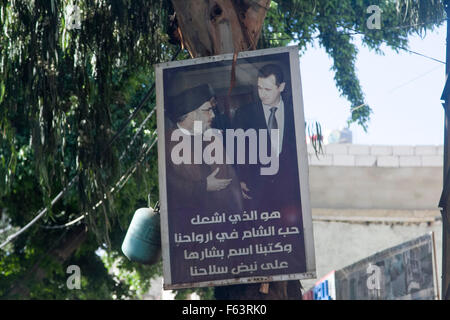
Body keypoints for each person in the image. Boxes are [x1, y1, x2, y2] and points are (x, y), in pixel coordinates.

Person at [232, 63, 302, 213]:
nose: (262, 94)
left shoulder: (295, 112)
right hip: (256, 192)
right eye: (259, 88)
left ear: (281, 87)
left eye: (268, 89)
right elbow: (237, 151)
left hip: (290, 194)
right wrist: (240, 179)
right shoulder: (244, 114)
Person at [165, 83, 243, 216]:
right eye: (208, 110)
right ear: (191, 114)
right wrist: (203, 187)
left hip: (225, 222)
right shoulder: (167, 142)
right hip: (191, 226)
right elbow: (171, 186)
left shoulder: (212, 138)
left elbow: (231, 176)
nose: (213, 115)